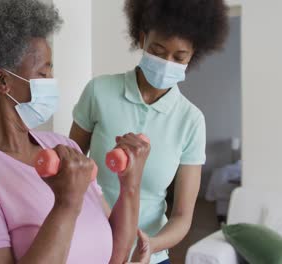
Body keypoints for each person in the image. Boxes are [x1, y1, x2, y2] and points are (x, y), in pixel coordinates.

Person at [0, 0, 151, 263]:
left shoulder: (65, 148)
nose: (51, 83)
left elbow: (116, 256)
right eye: (43, 73)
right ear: (2, 81)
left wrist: (130, 183)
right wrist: (67, 203)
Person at [70, 0, 229, 263]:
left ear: (192, 56)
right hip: (89, 246)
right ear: (142, 39)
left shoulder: (190, 120)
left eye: (179, 57)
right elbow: (71, 166)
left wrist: (151, 245)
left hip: (148, 256)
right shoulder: (99, 91)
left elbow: (182, 216)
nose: (167, 62)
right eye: (158, 50)